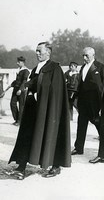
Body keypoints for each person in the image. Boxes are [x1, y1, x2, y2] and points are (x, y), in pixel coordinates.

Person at [5, 42, 71, 180]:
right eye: (36, 51)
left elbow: (55, 90)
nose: (37, 53)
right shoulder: (36, 68)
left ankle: (55, 166)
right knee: (27, 134)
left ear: (48, 52)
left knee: (51, 134)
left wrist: (37, 94)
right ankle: (21, 166)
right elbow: (34, 82)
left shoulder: (55, 68)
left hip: (48, 109)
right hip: (33, 108)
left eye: (40, 51)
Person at [71, 47, 104, 156]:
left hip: (94, 101)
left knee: (96, 122)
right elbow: (81, 83)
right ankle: (78, 148)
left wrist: (102, 102)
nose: (84, 57)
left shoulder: (99, 67)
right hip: (83, 101)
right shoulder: (82, 68)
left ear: (93, 55)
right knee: (81, 124)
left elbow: (103, 85)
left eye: (86, 55)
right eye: (83, 55)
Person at [4, 56, 30, 126]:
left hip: (21, 90)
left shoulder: (26, 71)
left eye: (18, 62)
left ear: (22, 62)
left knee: (21, 106)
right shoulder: (19, 70)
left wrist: (20, 89)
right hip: (15, 89)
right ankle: (16, 119)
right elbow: (17, 80)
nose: (17, 63)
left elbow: (24, 81)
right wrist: (11, 85)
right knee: (12, 104)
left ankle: (20, 121)